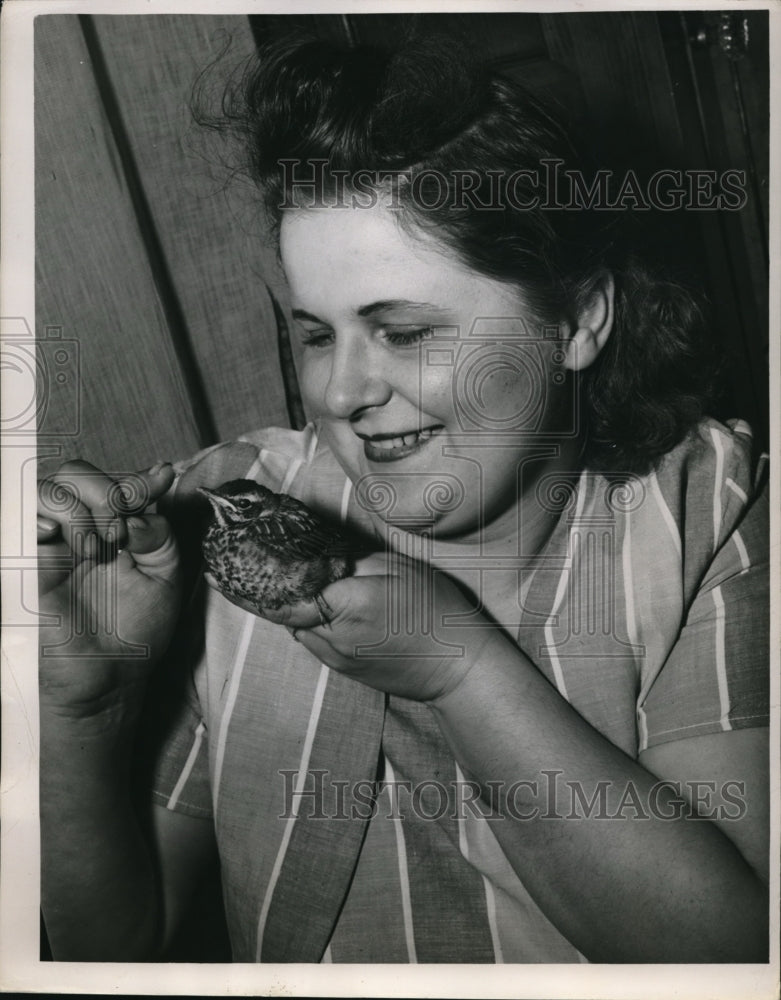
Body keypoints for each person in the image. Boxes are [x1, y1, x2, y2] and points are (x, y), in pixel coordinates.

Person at [37, 34, 769, 964]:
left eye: (405, 332)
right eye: (316, 335)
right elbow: (117, 943)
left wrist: (460, 673)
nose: (341, 392)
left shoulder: (715, 512)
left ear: (578, 319)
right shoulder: (220, 511)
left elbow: (729, 955)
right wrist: (83, 712)